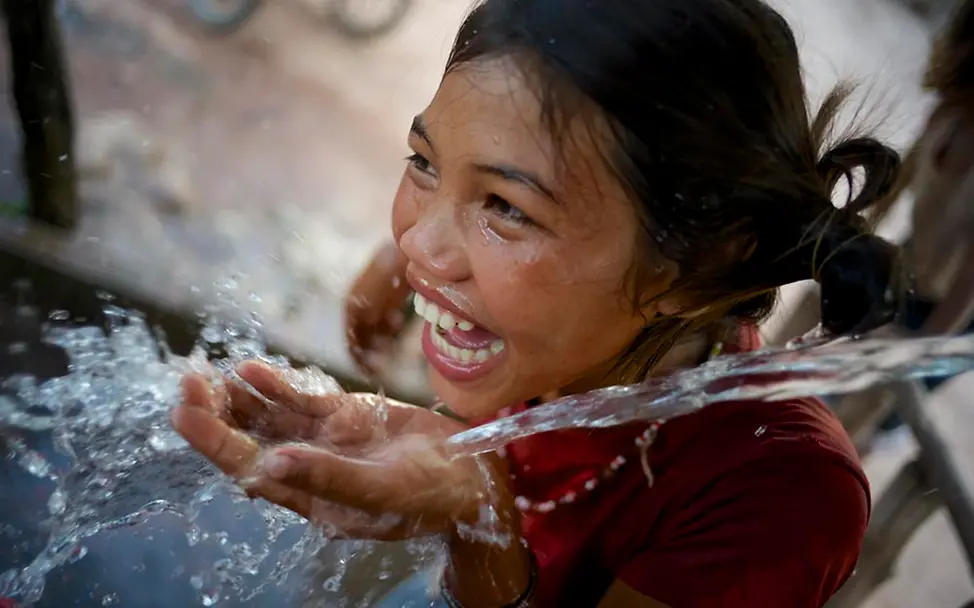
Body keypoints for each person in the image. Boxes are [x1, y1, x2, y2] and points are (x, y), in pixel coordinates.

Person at [172, 0, 905, 606]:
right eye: (424, 163)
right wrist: (396, 261)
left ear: (690, 267)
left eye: (506, 206)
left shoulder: (780, 501)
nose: (424, 244)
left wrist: (478, 518)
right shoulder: (561, 323)